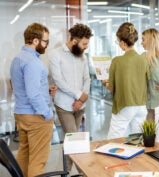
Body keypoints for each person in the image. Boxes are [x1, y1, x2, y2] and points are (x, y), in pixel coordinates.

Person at [10, 22, 55, 177]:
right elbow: (33, 95)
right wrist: (48, 114)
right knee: (38, 161)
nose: (46, 45)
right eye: (45, 42)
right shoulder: (33, 62)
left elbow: (22, 87)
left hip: (21, 114)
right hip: (36, 117)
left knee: (24, 154)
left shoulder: (17, 59)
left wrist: (45, 90)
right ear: (35, 41)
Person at [48, 23, 92, 172]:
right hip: (64, 106)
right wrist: (79, 95)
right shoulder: (56, 54)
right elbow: (59, 80)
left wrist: (81, 100)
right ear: (74, 41)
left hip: (80, 106)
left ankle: (66, 172)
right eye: (84, 43)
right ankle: (80, 172)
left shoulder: (83, 56)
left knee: (72, 141)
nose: (86, 47)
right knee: (74, 139)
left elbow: (87, 78)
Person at [102, 22, 149, 139]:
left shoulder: (117, 61)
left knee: (113, 140)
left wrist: (105, 83)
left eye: (118, 42)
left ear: (123, 43)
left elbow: (111, 87)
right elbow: (145, 81)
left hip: (124, 105)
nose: (118, 44)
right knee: (136, 140)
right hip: (141, 106)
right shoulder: (143, 60)